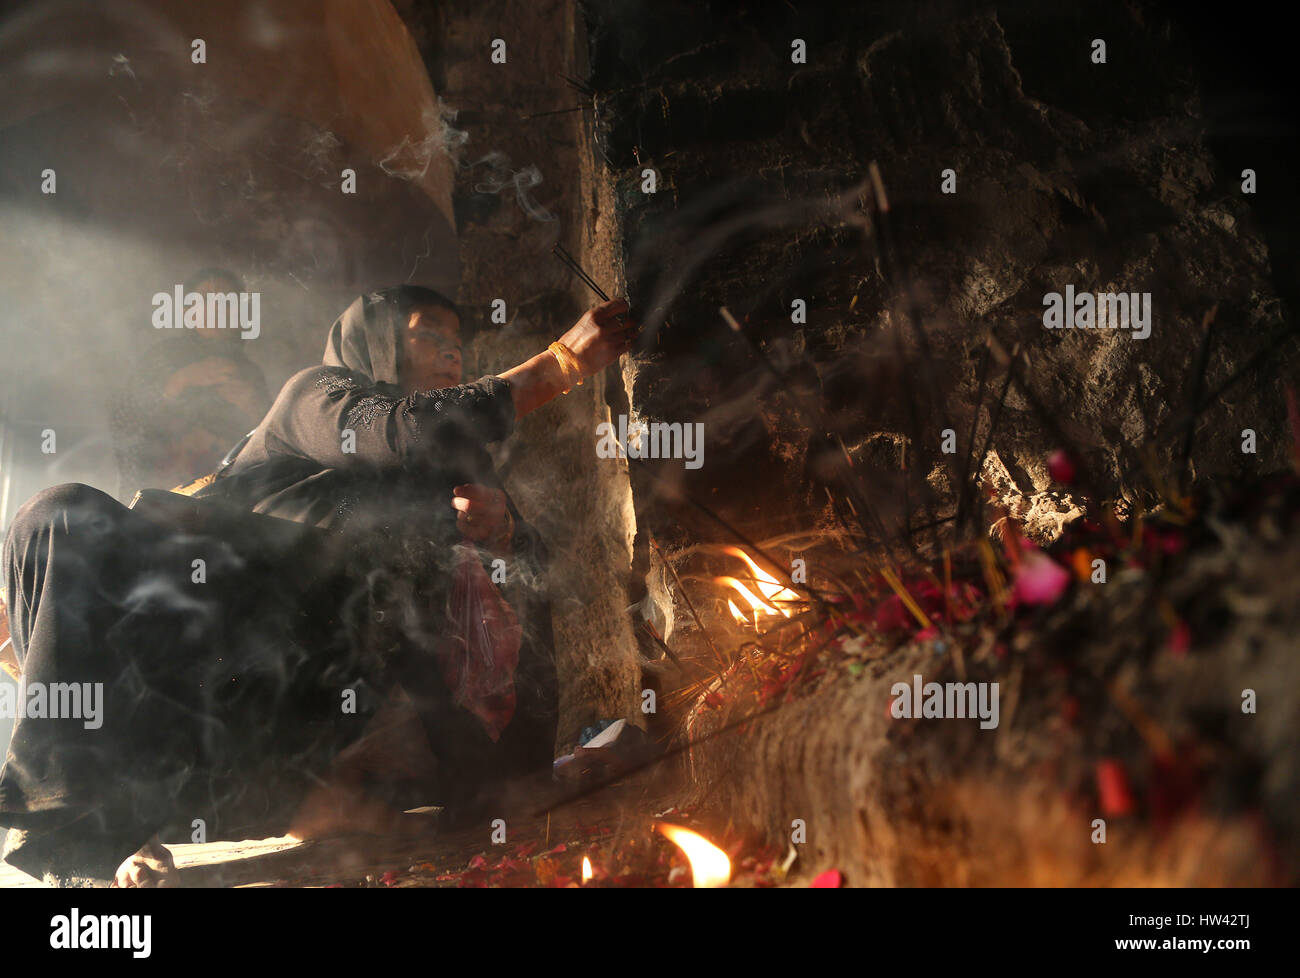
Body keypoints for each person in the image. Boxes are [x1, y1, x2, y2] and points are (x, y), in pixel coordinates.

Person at [0, 285, 634, 886]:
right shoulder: (319, 396)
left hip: (296, 725)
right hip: (200, 653)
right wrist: (560, 365)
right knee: (61, 513)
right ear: (375, 343)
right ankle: (75, 822)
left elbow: (517, 605)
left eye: (456, 337)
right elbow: (404, 429)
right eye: (427, 333)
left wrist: (504, 538)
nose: (452, 349)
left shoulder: (463, 476)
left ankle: (118, 817)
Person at [109, 267, 269, 498]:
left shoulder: (249, 373)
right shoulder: (163, 357)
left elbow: (269, 445)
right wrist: (180, 381)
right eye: (205, 300)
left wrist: (253, 409)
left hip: (223, 498)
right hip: (159, 493)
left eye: (226, 302)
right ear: (188, 311)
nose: (216, 310)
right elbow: (125, 419)